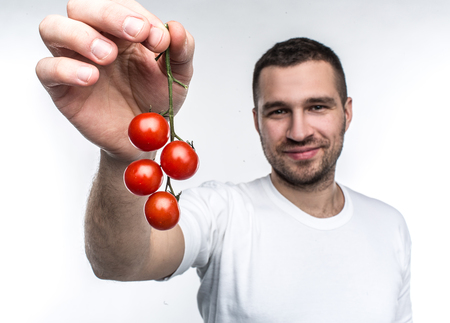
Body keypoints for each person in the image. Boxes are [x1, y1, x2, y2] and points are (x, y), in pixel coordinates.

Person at [36, 0, 412, 322]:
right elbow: (120, 262)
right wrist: (127, 153)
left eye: (317, 107)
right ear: (256, 121)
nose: (299, 131)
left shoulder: (390, 226)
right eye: (279, 111)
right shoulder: (222, 212)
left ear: (347, 113)